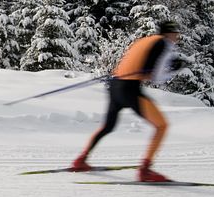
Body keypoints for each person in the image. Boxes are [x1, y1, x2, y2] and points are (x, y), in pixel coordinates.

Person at [71, 21, 182, 182]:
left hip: (115, 85)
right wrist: (174, 69)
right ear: (169, 33)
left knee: (107, 126)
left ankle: (80, 160)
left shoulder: (144, 40)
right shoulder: (163, 44)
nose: (177, 37)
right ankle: (145, 170)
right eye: (176, 34)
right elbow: (156, 78)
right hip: (130, 89)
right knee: (162, 126)